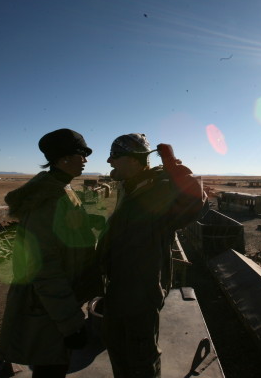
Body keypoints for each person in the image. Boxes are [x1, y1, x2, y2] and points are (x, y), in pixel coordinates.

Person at [97, 133, 206, 378]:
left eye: (115, 156)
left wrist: (172, 163)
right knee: (117, 349)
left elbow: (196, 201)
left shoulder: (159, 189)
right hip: (117, 287)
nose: (109, 161)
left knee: (140, 357)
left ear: (135, 161)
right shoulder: (131, 187)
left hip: (141, 291)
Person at [0, 128, 103, 378]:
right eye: (81, 153)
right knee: (50, 368)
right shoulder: (49, 200)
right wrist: (71, 323)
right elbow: (44, 266)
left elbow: (64, 234)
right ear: (63, 158)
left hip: (58, 301)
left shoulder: (62, 189)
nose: (86, 160)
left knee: (55, 363)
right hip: (49, 307)